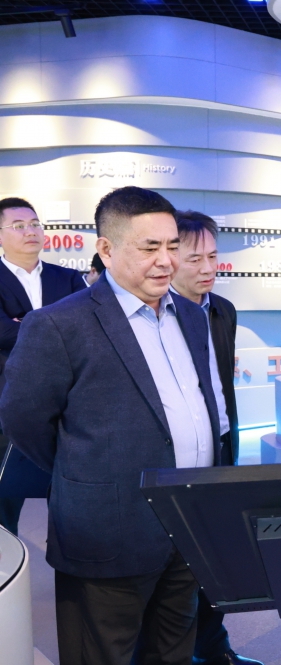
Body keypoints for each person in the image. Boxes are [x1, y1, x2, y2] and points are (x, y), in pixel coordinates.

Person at [0, 186, 222, 665]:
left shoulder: (191, 315)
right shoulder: (59, 324)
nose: (166, 261)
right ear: (106, 248)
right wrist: (84, 471)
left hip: (188, 526)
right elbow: (24, 419)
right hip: (105, 532)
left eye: (172, 246)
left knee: (172, 654)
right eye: (149, 247)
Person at [169, 211, 260, 665]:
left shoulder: (223, 310)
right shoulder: (155, 314)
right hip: (174, 455)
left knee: (214, 554)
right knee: (171, 565)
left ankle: (214, 648)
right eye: (195, 259)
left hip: (221, 446)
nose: (208, 268)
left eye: (213, 256)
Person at [0, 196, 86, 535]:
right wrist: (54, 330)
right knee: (4, 501)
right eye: (19, 226)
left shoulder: (68, 278)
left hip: (68, 407)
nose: (30, 231)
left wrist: (24, 324)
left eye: (35, 224)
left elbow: (87, 330)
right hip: (7, 404)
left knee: (71, 498)